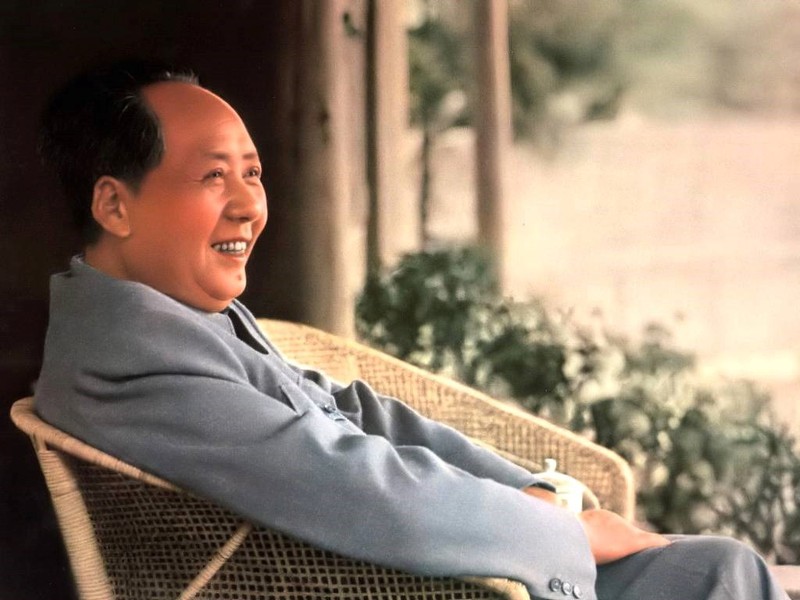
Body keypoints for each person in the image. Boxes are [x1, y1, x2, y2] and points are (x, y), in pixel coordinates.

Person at [34, 60, 788, 600]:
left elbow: (354, 413)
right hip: (406, 578)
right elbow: (351, 484)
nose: (248, 205)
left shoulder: (162, 315)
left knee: (721, 568)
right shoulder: (129, 357)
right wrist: (563, 530)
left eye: (252, 173)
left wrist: (540, 492)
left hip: (441, 560)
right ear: (115, 205)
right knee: (720, 574)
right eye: (212, 176)